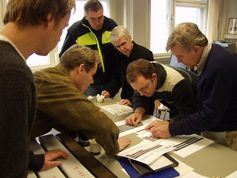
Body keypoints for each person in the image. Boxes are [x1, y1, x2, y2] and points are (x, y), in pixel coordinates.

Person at [0, 0, 75, 177]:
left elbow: (5, 143)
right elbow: (8, 169)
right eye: (63, 27)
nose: (59, 37)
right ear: (49, 18)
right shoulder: (12, 72)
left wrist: (32, 160)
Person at [145, 22, 237, 151]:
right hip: (216, 128)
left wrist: (172, 129)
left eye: (180, 56)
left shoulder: (219, 67)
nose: (178, 61)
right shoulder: (211, 55)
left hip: (227, 134)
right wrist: (172, 124)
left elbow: (210, 114)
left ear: (196, 49)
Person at [32, 44, 130, 156]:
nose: (92, 81)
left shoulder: (50, 75)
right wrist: (114, 146)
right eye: (92, 75)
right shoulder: (55, 84)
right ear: (81, 69)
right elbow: (96, 120)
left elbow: (64, 117)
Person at [59, 0, 118, 97]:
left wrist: (113, 86)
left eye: (100, 17)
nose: (97, 22)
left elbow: (119, 57)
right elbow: (64, 59)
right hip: (88, 83)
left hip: (110, 81)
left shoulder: (112, 26)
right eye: (93, 19)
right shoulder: (75, 31)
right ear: (85, 16)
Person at [125, 59, 198, 126]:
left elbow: (189, 114)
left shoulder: (177, 83)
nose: (141, 93)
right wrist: (138, 112)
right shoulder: (145, 78)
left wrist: (167, 123)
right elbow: (140, 97)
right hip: (175, 104)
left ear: (154, 77)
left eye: (144, 88)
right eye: (137, 90)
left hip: (198, 103)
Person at [101, 25, 154, 106]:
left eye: (123, 43)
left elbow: (148, 85)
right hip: (125, 100)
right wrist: (109, 91)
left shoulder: (145, 54)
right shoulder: (117, 55)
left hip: (143, 100)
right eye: (118, 46)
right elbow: (117, 78)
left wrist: (132, 101)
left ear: (130, 38)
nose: (122, 48)